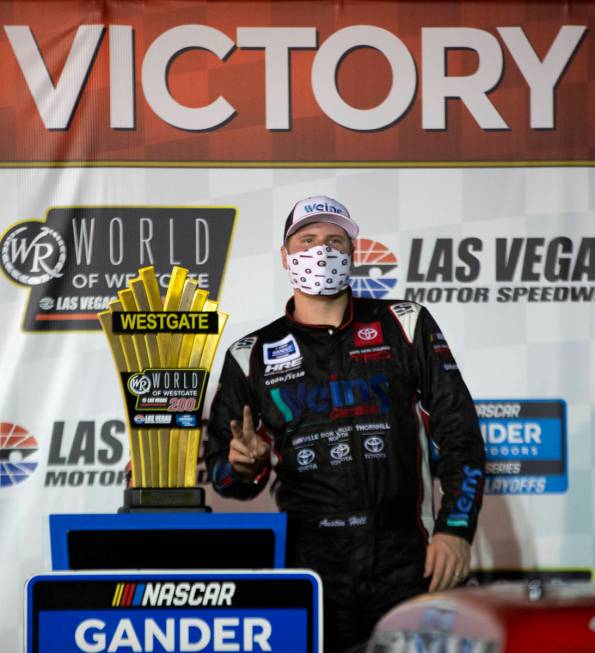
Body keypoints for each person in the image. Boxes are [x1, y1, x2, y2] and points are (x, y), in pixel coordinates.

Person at [206, 195, 485, 652]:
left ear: (353, 254)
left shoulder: (404, 323)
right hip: (310, 567)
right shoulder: (250, 353)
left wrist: (455, 529)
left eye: (335, 241)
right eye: (308, 240)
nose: (322, 251)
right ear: (285, 256)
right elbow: (226, 476)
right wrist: (241, 465)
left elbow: (459, 433)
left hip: (405, 560)